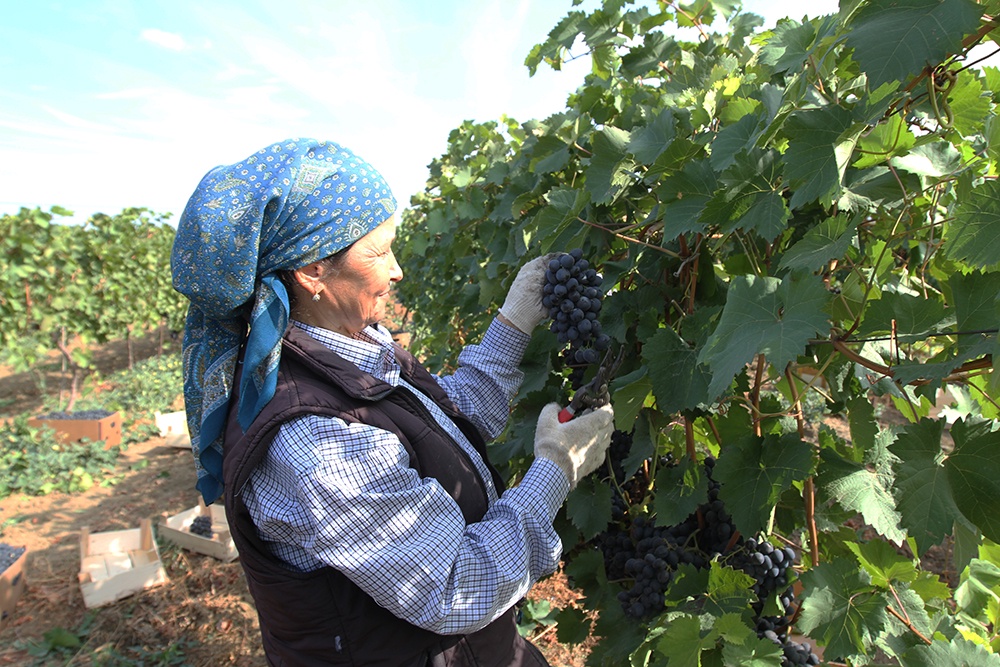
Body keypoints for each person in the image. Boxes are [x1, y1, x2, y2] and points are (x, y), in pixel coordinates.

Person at [171, 138, 614, 667]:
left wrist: (513, 323)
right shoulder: (312, 439)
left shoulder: (354, 345)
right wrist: (555, 470)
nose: (397, 270)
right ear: (312, 271)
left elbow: (446, 422)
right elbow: (453, 586)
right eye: (379, 252)